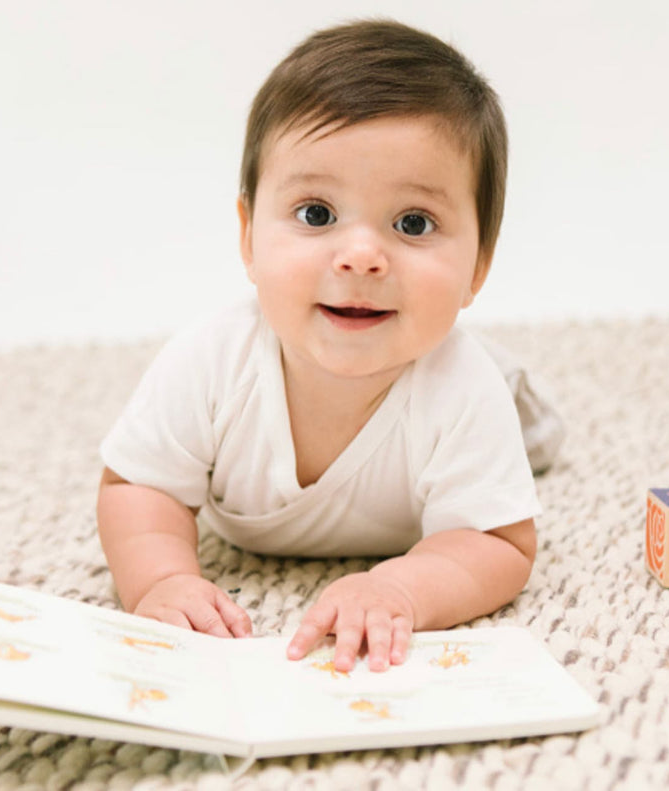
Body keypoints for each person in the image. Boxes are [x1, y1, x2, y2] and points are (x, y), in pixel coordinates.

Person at [97, 18, 561, 675]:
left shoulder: (462, 386)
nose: (362, 256)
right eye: (316, 214)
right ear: (248, 233)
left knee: (522, 430)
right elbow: (137, 485)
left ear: (479, 265)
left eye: (412, 223)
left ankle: (527, 404)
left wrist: (402, 585)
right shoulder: (209, 361)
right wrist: (159, 581)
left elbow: (500, 542)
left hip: (472, 397)